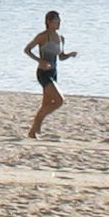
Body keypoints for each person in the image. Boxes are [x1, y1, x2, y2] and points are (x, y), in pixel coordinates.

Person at [22, 10, 77, 138]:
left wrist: (69, 55)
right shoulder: (43, 36)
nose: (58, 23)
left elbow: (61, 57)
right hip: (43, 73)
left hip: (54, 72)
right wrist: (40, 60)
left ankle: (33, 131)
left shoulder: (61, 38)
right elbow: (27, 49)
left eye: (59, 21)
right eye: (56, 21)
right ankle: (36, 127)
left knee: (46, 105)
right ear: (48, 22)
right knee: (59, 100)